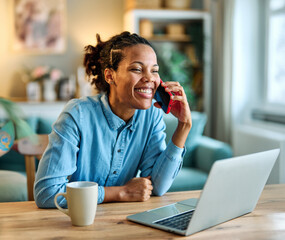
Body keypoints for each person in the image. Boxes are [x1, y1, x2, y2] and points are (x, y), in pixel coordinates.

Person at [34, 31, 192, 208]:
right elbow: (47, 193)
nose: (149, 78)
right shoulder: (77, 114)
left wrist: (183, 126)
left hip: (118, 221)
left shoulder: (152, 116)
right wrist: (121, 192)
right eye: (137, 69)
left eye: (154, 71)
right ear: (110, 76)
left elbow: (157, 187)